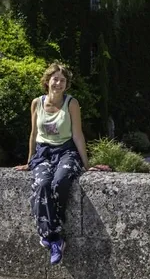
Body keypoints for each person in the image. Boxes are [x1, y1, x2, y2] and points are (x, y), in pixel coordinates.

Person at [14, 62, 107, 264]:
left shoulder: (71, 103)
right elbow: (33, 134)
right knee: (43, 184)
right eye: (55, 79)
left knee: (61, 180)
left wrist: (86, 163)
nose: (58, 83)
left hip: (66, 151)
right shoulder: (36, 103)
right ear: (47, 81)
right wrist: (30, 161)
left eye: (62, 80)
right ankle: (54, 239)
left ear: (66, 84)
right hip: (43, 153)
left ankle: (48, 228)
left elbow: (78, 134)